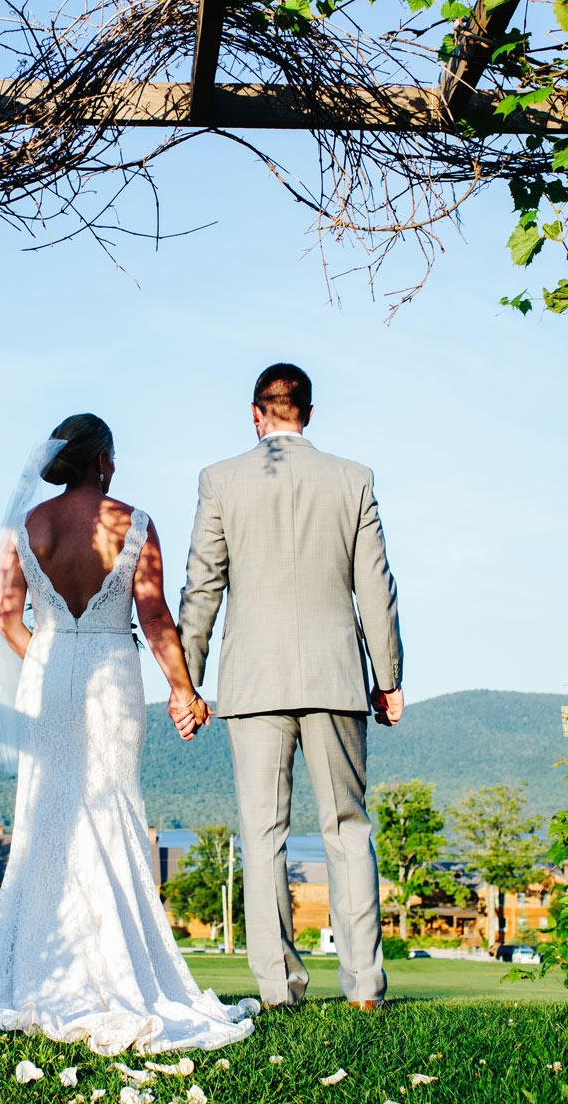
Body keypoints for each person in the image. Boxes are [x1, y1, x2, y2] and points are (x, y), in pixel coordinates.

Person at [0, 413, 257, 1053]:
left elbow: (8, 618)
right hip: (114, 675)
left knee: (46, 817)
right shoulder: (133, 522)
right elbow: (153, 615)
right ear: (100, 460)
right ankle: (117, 976)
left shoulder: (27, 527)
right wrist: (183, 690)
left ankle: (41, 974)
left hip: (48, 671)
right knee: (112, 806)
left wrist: (50, 658)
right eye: (112, 456)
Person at [171, 364, 404, 1009]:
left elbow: (203, 587)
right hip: (336, 678)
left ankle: (280, 990)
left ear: (256, 413)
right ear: (309, 410)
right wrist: (388, 678)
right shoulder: (354, 480)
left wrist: (185, 684)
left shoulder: (220, 481)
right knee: (347, 829)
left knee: (263, 835)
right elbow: (376, 591)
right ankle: (364, 989)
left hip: (252, 683)